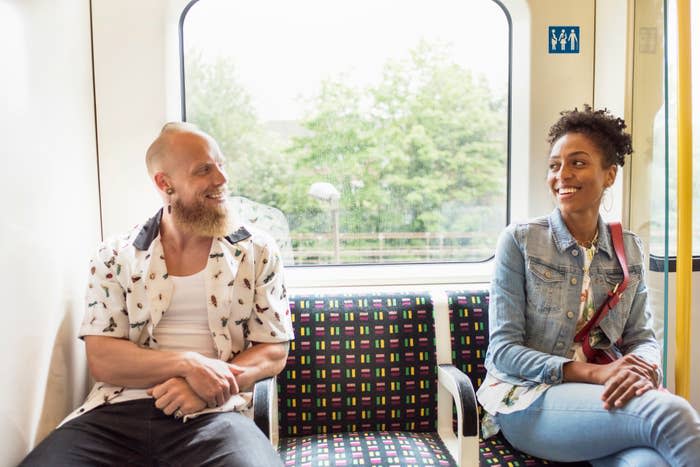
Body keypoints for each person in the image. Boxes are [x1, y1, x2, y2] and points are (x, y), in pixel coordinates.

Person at [20, 122, 293, 466]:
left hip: (217, 416)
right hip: (114, 415)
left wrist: (204, 387)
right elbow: (103, 358)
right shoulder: (115, 255)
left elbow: (273, 351)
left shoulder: (257, 250)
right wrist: (187, 364)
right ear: (166, 184)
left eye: (221, 165)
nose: (221, 179)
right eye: (204, 170)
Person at [477, 105, 700, 466]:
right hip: (527, 399)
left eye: (578, 163)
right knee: (672, 414)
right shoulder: (520, 241)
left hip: (600, 393)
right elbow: (503, 352)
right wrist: (597, 373)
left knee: (650, 463)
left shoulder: (628, 249)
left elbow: (642, 338)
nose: (562, 174)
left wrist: (642, 369)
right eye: (554, 165)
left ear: (609, 175)